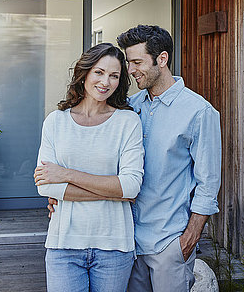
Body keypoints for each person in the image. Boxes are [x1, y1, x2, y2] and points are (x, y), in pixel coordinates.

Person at [116, 25, 221, 292]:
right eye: (129, 62)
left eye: (138, 62)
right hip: (128, 242)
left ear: (162, 59)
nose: (131, 70)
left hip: (169, 244)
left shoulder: (199, 112)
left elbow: (208, 184)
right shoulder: (130, 107)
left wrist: (188, 239)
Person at [34, 43, 144, 292]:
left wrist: (66, 175)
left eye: (114, 76)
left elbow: (131, 186)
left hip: (114, 247)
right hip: (64, 246)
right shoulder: (56, 122)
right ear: (84, 73)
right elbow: (45, 186)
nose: (106, 81)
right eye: (99, 72)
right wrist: (115, 192)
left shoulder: (127, 122)